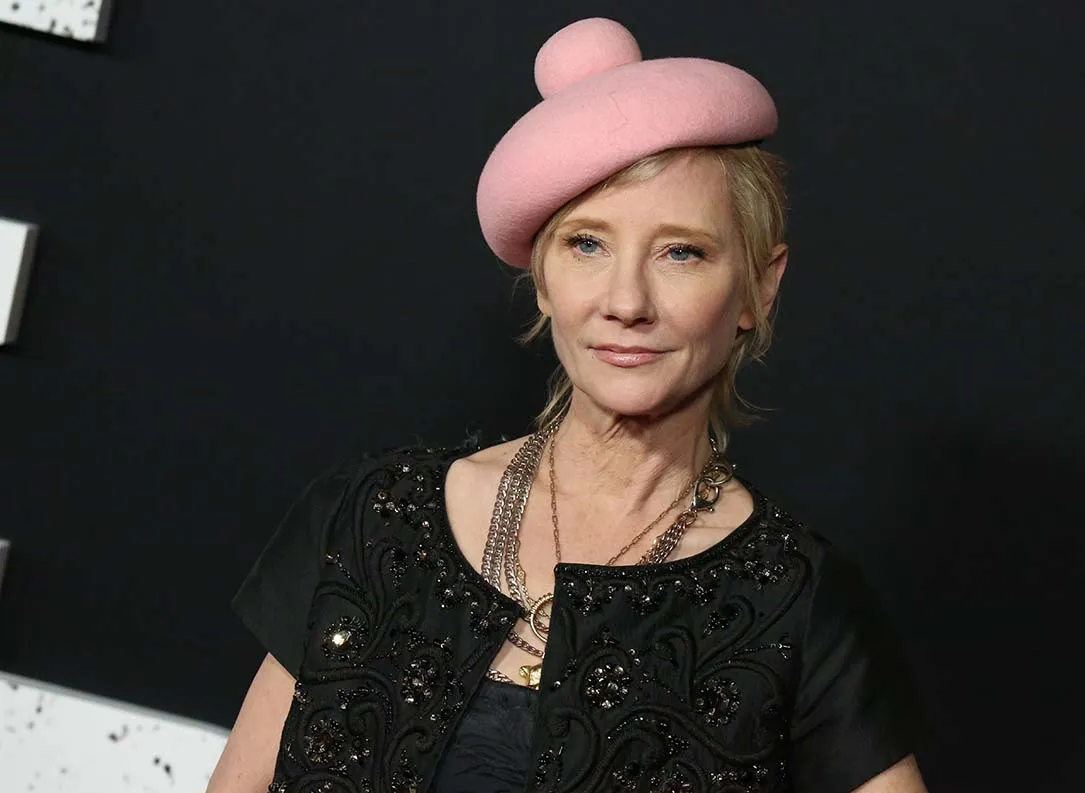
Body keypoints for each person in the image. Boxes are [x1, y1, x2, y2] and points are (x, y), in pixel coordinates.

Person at [207, 17, 929, 793]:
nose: (626, 301)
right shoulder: (372, 521)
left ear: (759, 286)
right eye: (587, 244)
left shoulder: (791, 601)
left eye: (681, 252)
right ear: (543, 278)